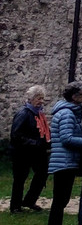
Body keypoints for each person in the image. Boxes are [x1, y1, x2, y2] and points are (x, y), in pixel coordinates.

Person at [46, 80, 82, 225]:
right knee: (59, 201)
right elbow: (66, 139)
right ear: (74, 97)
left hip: (66, 161)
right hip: (64, 162)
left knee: (61, 201)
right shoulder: (67, 114)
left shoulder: (69, 112)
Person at [10, 84, 50, 213]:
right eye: (38, 98)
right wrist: (35, 143)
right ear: (31, 99)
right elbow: (16, 135)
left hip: (36, 152)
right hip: (22, 152)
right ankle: (15, 206)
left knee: (42, 173)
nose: (41, 101)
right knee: (20, 179)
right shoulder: (24, 113)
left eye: (42, 98)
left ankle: (29, 200)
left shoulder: (38, 114)